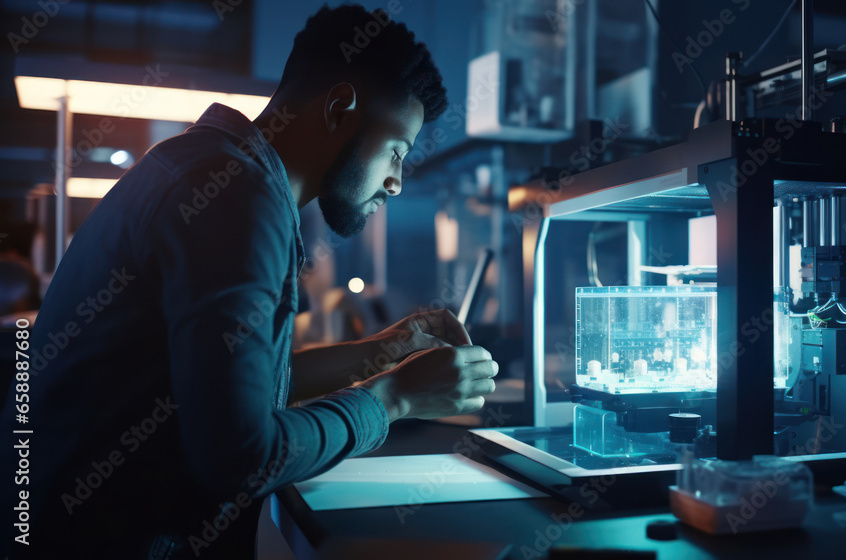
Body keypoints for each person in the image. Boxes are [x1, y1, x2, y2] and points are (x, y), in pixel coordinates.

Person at [0, 4, 496, 559]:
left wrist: (384, 352)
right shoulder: (238, 197)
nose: (397, 182)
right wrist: (395, 399)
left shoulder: (214, 166)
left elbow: (237, 387)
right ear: (339, 108)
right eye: (397, 151)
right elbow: (238, 456)